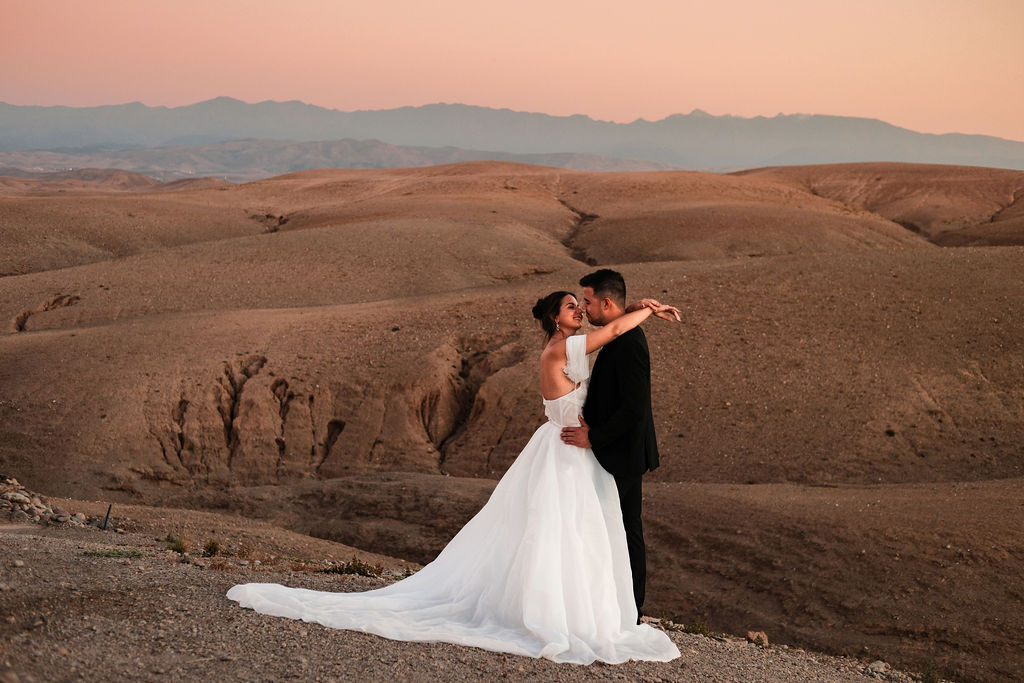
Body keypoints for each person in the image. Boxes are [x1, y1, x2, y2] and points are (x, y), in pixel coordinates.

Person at [227, 289, 681, 665]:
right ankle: (558, 614)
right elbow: (616, 329)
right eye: (570, 307)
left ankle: (579, 610)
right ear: (554, 321)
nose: (578, 310)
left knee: (573, 534)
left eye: (579, 304)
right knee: (555, 532)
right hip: (565, 453)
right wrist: (651, 309)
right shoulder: (561, 349)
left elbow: (609, 334)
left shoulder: (568, 346)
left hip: (572, 450)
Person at [560, 269, 665, 621]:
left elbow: (634, 409)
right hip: (611, 450)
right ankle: (611, 602)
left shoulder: (630, 343)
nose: (584, 309)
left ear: (606, 302)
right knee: (609, 527)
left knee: (627, 529)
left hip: (622, 453)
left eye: (587, 301)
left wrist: (594, 437)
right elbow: (615, 326)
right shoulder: (618, 334)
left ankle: (632, 608)